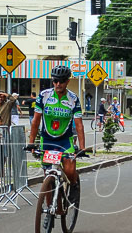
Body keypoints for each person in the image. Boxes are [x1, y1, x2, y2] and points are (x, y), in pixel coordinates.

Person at [26, 64, 87, 204]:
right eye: (55, 81)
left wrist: (82, 148)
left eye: (61, 81)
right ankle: (49, 210)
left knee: (70, 170)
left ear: (68, 81)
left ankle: (74, 185)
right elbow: (35, 121)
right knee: (47, 178)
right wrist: (31, 143)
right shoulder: (44, 95)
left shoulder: (73, 98)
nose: (58, 84)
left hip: (65, 141)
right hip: (47, 140)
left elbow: (79, 125)